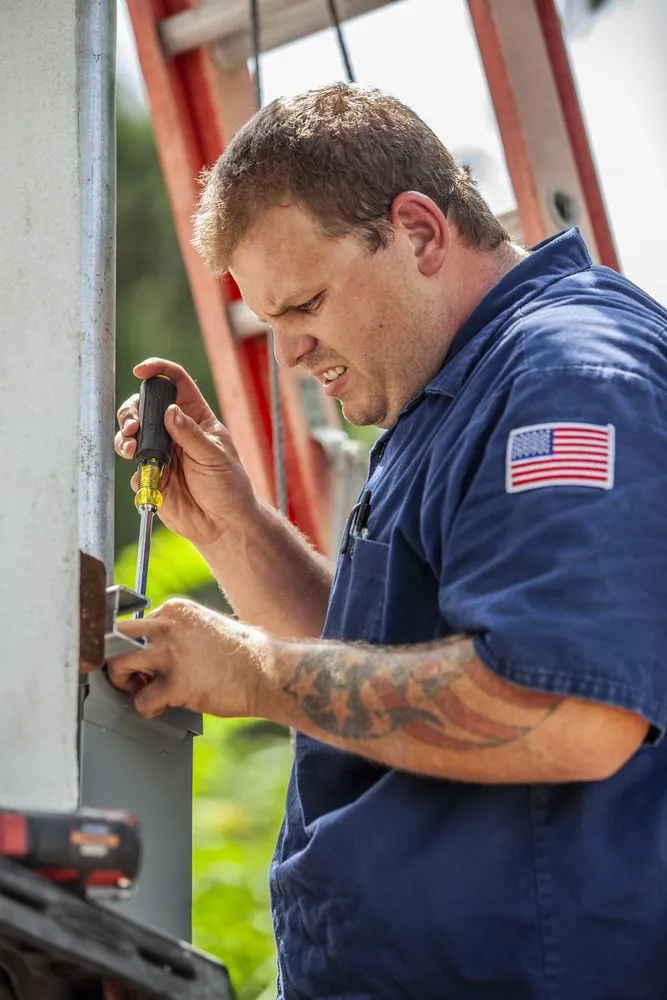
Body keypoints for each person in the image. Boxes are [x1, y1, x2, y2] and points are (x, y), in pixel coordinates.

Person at [111, 83, 667, 999]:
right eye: (269, 322)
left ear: (417, 230)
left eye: (307, 305)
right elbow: (388, 671)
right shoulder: (453, 389)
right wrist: (234, 529)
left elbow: (564, 711)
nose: (288, 352)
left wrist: (254, 672)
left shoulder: (567, 376)